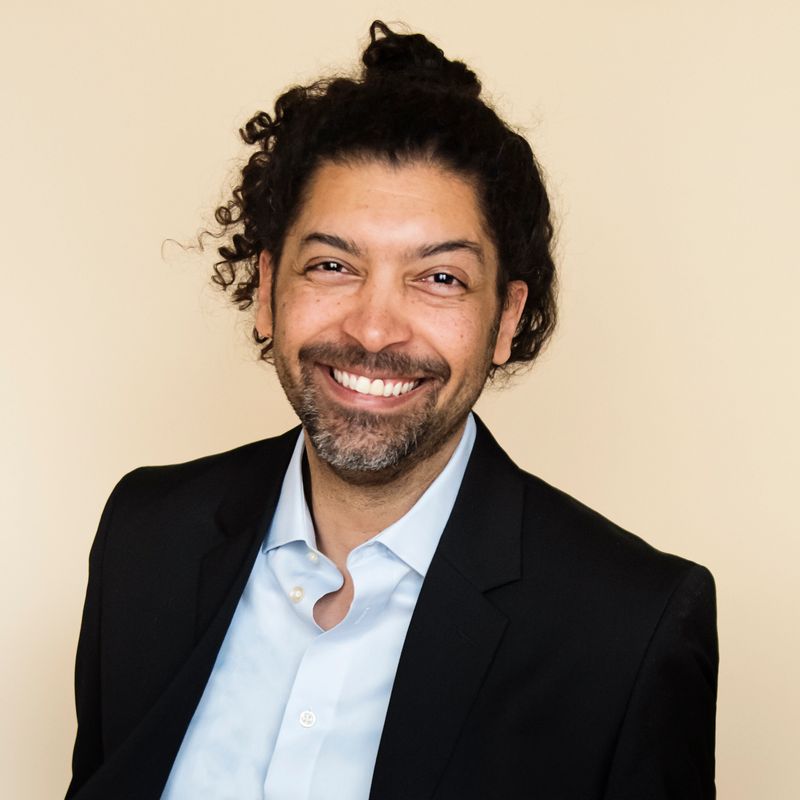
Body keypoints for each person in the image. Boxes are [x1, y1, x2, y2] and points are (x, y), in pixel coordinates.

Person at [66, 20, 718, 800]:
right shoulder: (146, 535)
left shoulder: (631, 628)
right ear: (268, 289)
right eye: (332, 265)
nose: (374, 330)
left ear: (505, 319)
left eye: (440, 278)